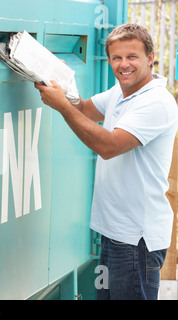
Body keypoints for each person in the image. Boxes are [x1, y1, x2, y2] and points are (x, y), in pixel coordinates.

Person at [35, 23, 178, 300]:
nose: (123, 64)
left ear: (150, 57)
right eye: (117, 58)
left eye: (132, 56)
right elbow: (85, 109)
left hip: (136, 241)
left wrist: (61, 105)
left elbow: (108, 146)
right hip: (114, 234)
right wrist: (55, 81)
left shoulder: (156, 102)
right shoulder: (120, 92)